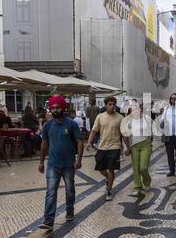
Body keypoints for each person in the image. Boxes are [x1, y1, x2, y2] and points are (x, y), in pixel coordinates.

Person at [38, 96, 84, 230]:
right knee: (51, 192)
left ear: (63, 108)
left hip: (69, 164)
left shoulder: (71, 124)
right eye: (53, 108)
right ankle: (48, 220)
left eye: (57, 107)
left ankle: (69, 210)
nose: (55, 110)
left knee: (70, 190)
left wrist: (78, 160)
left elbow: (80, 142)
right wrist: (41, 162)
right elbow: (44, 144)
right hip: (52, 164)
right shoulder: (47, 125)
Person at [87, 96, 123, 201]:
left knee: (111, 169)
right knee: (100, 168)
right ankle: (108, 178)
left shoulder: (120, 117)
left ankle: (109, 190)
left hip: (115, 147)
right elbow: (94, 131)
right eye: (110, 104)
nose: (112, 106)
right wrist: (89, 142)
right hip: (102, 147)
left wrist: (126, 147)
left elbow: (124, 133)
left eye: (113, 104)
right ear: (106, 105)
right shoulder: (100, 117)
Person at [122, 103, 153, 195]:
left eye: (137, 110)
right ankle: (137, 186)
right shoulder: (129, 121)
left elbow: (153, 129)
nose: (135, 112)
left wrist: (150, 140)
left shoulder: (147, 118)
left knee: (143, 167)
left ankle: (147, 182)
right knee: (136, 168)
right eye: (133, 110)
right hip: (134, 146)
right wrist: (127, 147)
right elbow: (125, 135)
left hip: (145, 145)